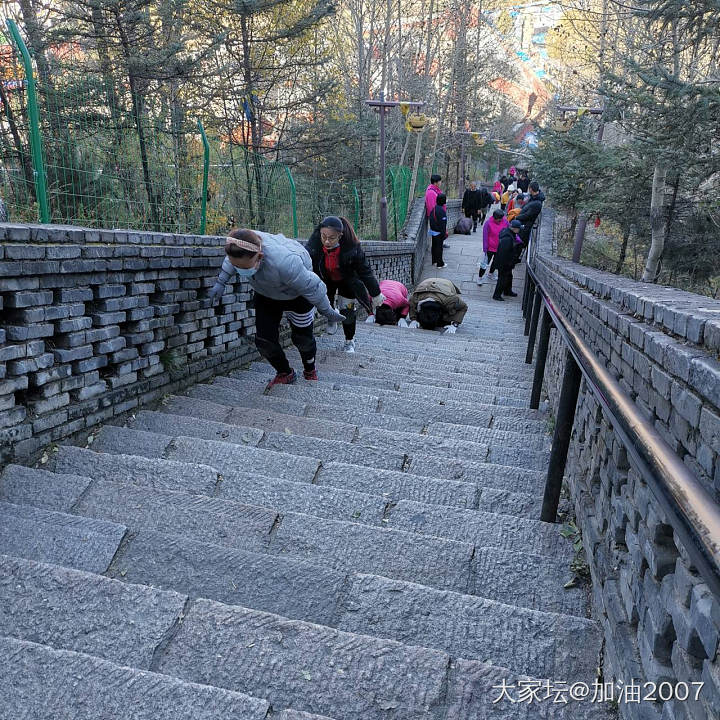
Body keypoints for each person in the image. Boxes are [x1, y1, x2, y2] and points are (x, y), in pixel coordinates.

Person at [209, 228, 345, 387]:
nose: (241, 271)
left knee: (302, 339)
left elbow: (314, 287)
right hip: (265, 294)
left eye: (245, 268)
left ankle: (310, 369)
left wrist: (327, 310)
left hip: (297, 296)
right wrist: (221, 282)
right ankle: (284, 372)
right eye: (238, 267)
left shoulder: (286, 263)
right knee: (264, 340)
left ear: (259, 257)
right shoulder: (240, 246)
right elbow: (231, 261)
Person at [305, 216, 385, 354]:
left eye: (332, 238)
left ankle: (349, 341)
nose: (327, 241)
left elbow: (365, 270)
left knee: (347, 310)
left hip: (347, 280)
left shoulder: (352, 247)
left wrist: (375, 293)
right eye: (324, 236)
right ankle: (331, 316)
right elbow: (304, 259)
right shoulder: (315, 243)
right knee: (325, 305)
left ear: (340, 236)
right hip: (326, 279)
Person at [493, 220, 523, 301]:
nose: (519, 230)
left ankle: (507, 291)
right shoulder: (507, 238)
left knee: (509, 276)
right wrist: (507, 264)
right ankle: (496, 295)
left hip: (507, 262)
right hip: (504, 263)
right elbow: (503, 252)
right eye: (519, 229)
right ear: (514, 229)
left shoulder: (509, 233)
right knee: (502, 278)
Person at [478, 208, 509, 283]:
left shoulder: (505, 221)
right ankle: (480, 278)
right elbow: (485, 236)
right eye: (498, 219)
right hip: (490, 248)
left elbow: (510, 231)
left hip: (500, 247)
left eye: (501, 219)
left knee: (495, 262)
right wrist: (485, 248)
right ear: (494, 218)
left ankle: (490, 274)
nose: (500, 220)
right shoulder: (488, 223)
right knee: (484, 263)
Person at [514, 180, 545, 246]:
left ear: (530, 189)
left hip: (524, 227)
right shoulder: (533, 198)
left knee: (517, 246)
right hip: (522, 224)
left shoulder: (537, 203)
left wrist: (517, 217)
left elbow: (528, 215)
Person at [428, 192, 448, 269]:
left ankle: (434, 261)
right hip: (439, 232)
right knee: (439, 248)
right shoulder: (442, 211)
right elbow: (443, 224)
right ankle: (440, 264)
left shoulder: (434, 208)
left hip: (433, 231)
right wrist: (444, 234)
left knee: (434, 246)